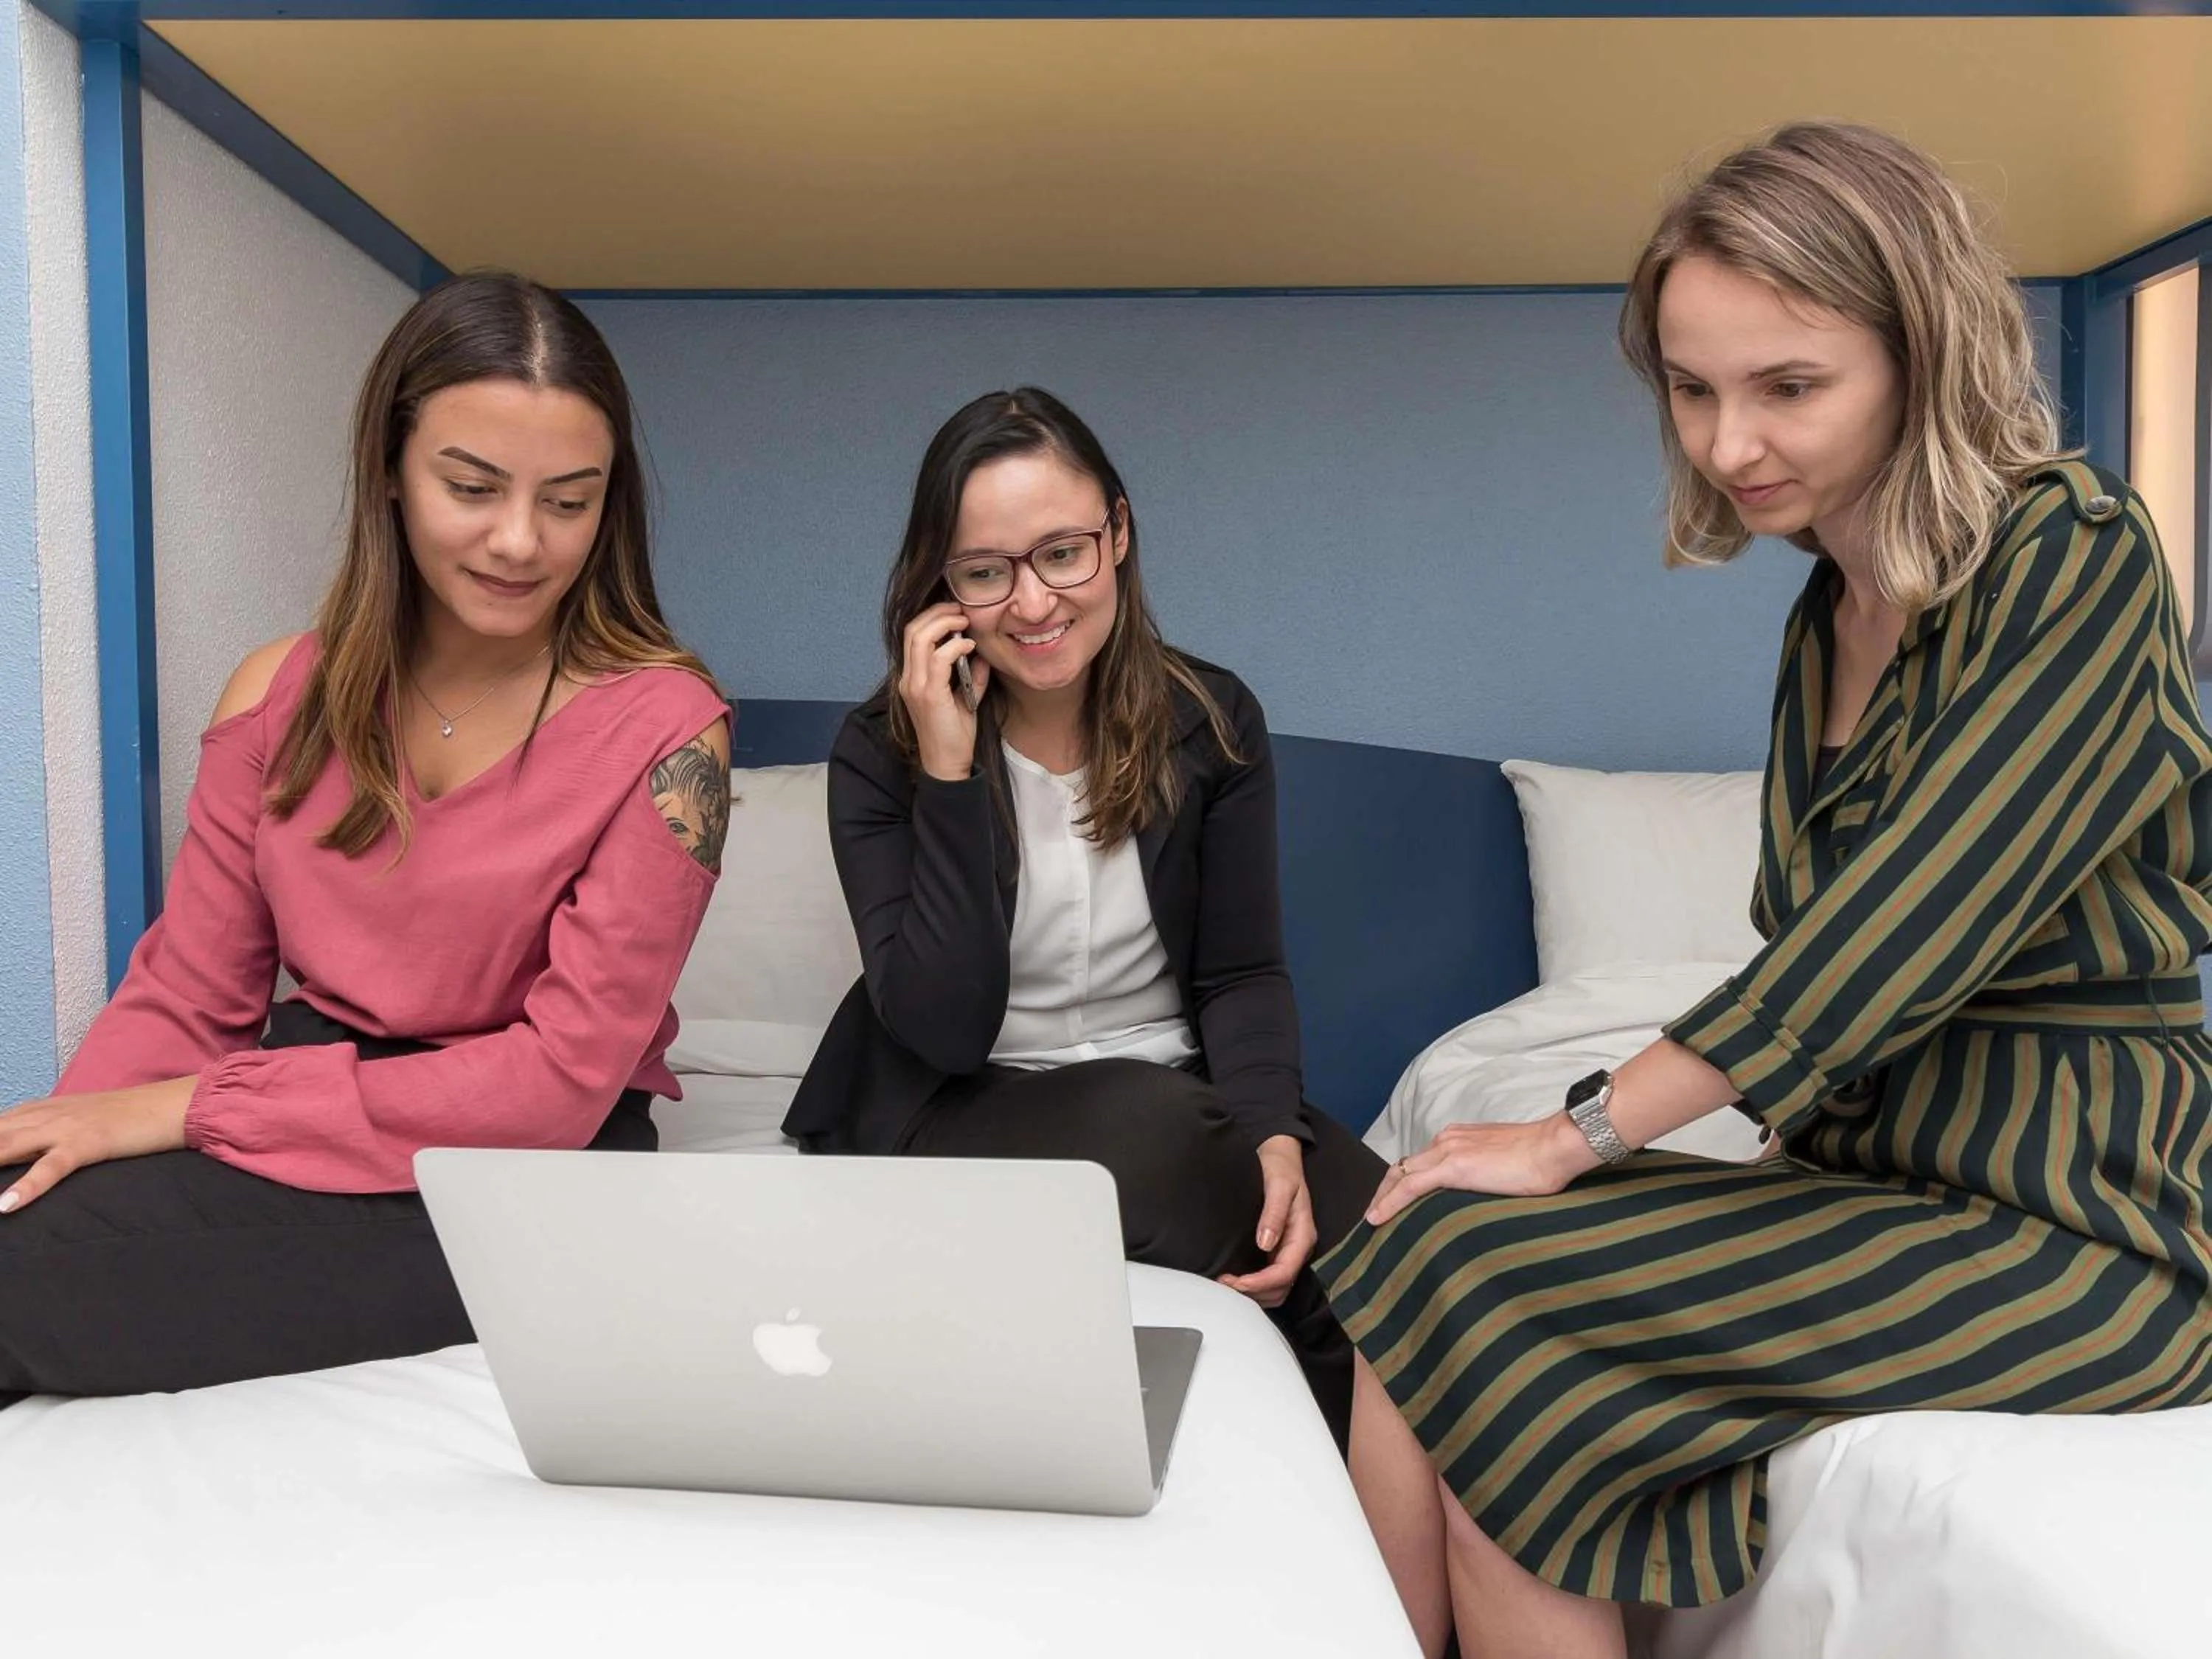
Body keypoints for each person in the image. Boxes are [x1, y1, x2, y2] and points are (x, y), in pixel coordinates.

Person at [1320, 122, 2212, 1659]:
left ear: (1921, 353)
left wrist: (1574, 1130)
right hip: (1885, 1193)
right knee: (1413, 1240)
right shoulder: (1827, 619)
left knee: (1494, 1305)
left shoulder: (2074, 552)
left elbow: (1893, 937)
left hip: (2086, 1233)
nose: (1731, 443)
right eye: (1692, 388)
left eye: (1789, 386)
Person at [0, 271, 731, 1401]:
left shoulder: (669, 729)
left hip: (529, 1159)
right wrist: (72, 1135)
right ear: (391, 468)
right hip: (313, 1077)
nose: (520, 541)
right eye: (472, 487)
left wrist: (197, 1108)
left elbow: (558, 1084)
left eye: (570, 500)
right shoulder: (278, 692)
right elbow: (193, 998)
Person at [783, 386, 1387, 1444]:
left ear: (1117, 535)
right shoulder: (876, 753)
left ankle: (1381, 1566)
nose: (1031, 604)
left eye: (1063, 551)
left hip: (1176, 1094)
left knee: (1399, 1229)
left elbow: (1239, 973)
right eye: (985, 571)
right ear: (941, 588)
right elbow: (942, 1023)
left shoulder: (1212, 720)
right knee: (1153, 1130)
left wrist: (1276, 1136)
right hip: (958, 1104)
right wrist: (950, 768)